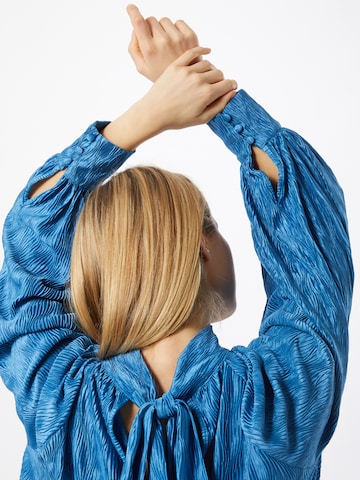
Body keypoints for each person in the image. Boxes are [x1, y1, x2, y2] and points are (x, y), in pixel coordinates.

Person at [0, 4, 353, 479]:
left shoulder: (55, 397)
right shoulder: (276, 396)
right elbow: (310, 250)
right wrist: (204, 89)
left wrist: (146, 116)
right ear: (202, 248)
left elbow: (31, 233)